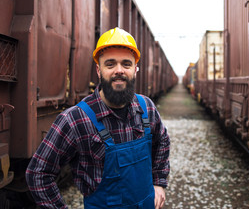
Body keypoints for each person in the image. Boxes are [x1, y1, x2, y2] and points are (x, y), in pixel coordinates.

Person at [26, 27, 170, 209]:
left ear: (136, 69)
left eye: (126, 64)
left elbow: (162, 141)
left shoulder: (146, 107)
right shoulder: (75, 119)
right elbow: (38, 173)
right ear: (98, 70)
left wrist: (159, 182)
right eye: (110, 64)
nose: (119, 71)